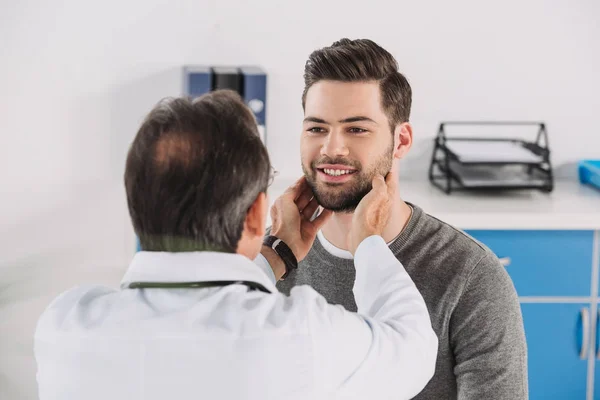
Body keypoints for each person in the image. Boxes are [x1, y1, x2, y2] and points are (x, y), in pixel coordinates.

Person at [34, 90, 437, 400]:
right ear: (253, 215)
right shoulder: (302, 336)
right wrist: (367, 240)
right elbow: (413, 348)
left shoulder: (65, 326)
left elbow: (200, 316)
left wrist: (275, 255)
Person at [275, 38, 528, 399]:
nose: (331, 148)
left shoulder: (471, 278)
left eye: (356, 129)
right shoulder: (271, 264)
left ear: (401, 140)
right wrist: (273, 256)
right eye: (316, 128)